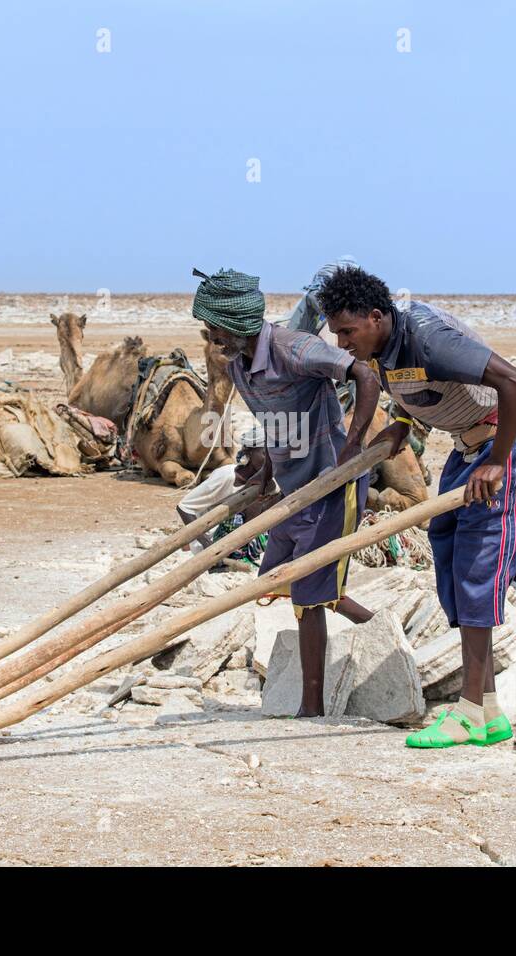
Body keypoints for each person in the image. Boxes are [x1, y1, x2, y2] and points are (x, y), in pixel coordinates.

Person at [319, 266, 516, 749]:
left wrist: (499, 462)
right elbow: (416, 390)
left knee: (477, 564)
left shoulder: (427, 337)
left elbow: (515, 383)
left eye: (347, 331)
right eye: (335, 332)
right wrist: (402, 423)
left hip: (505, 441)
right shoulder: (381, 349)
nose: (341, 342)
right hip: (465, 448)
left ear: (376, 317)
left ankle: (466, 714)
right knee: (445, 548)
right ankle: (488, 709)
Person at [191, 267, 381, 717]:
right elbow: (274, 425)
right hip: (294, 489)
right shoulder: (240, 368)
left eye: (215, 326)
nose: (211, 336)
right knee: (278, 581)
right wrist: (266, 474)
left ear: (236, 321)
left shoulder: (294, 348)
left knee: (309, 594)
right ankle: (380, 630)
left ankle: (311, 707)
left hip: (334, 487)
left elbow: (365, 377)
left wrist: (351, 449)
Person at [176, 427, 273, 567]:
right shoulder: (227, 476)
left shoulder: (266, 480)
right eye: (265, 454)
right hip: (212, 542)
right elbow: (184, 507)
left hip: (239, 539)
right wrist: (206, 545)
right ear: (249, 453)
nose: (269, 461)